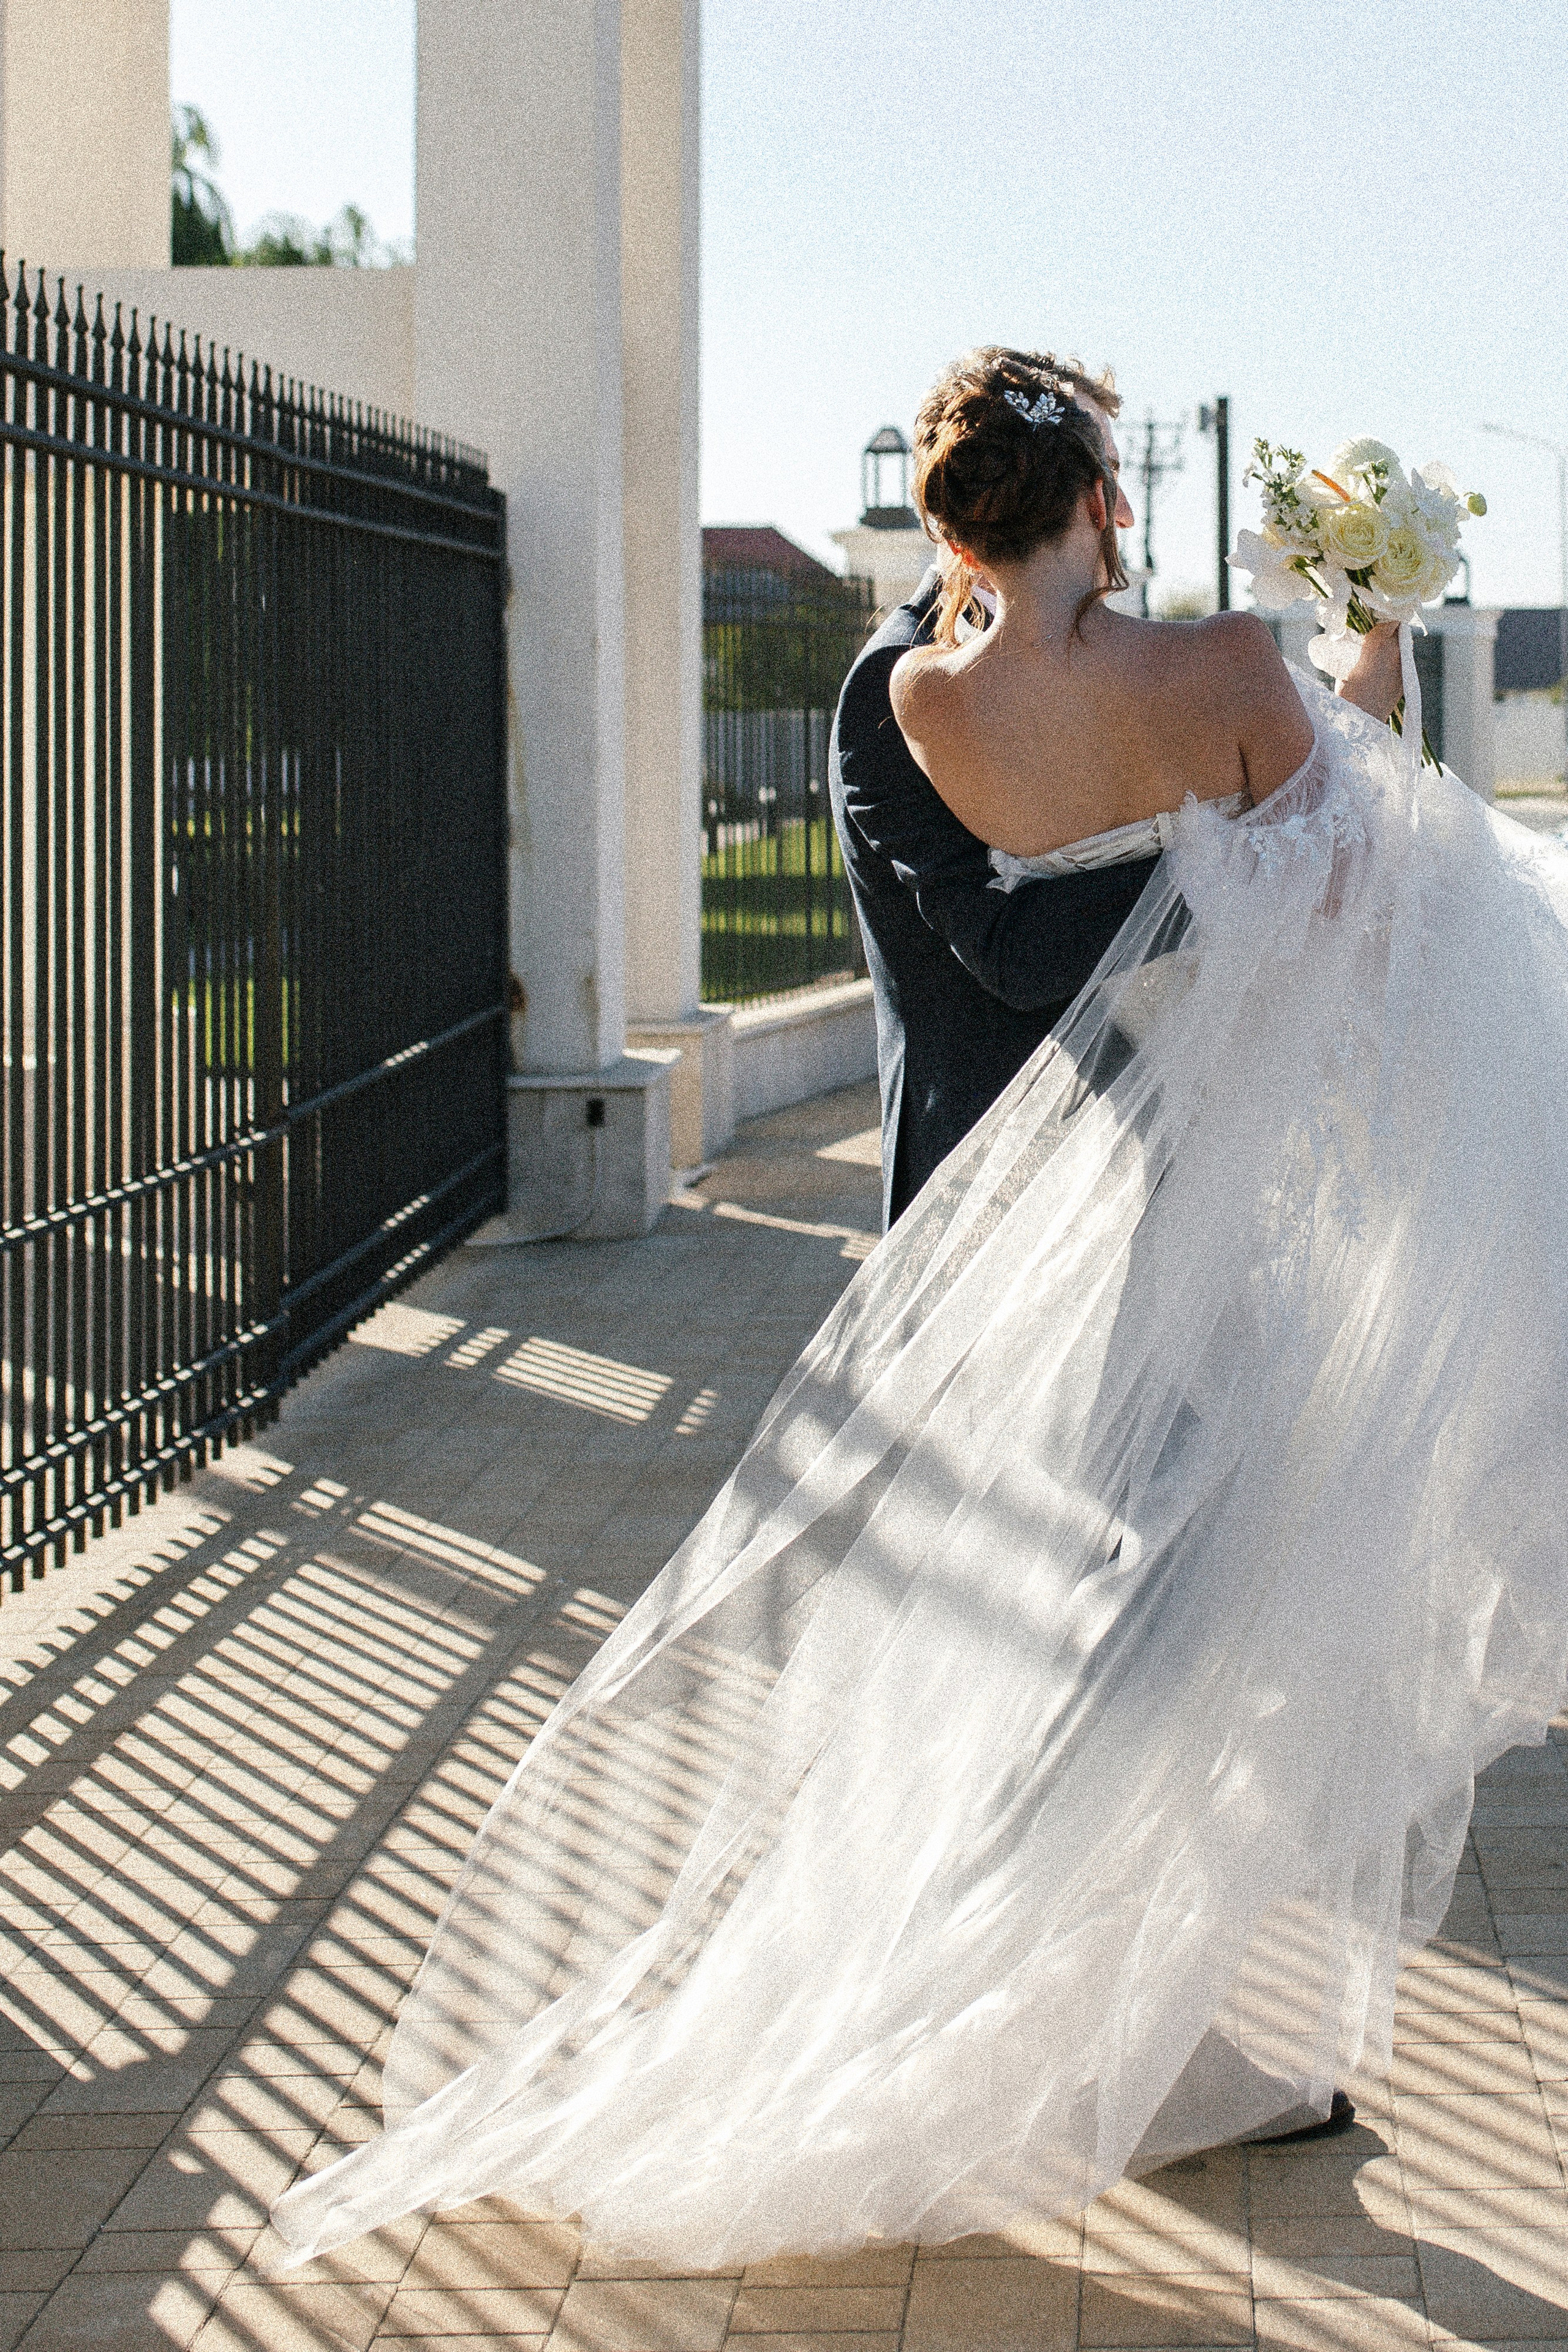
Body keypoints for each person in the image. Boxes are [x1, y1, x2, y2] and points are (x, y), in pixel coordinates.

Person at [274, 350, 1568, 2275]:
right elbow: (1357, 881)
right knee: (1161, 1615)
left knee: (1087, 1609)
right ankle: (1044, 1994)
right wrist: (1330, 702)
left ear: (948, 524)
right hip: (1186, 1227)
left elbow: (1011, 939)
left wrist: (1227, 824)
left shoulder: (901, 700)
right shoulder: (1219, 670)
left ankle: (1080, 1991)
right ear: (1106, 501)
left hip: (997, 1237)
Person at [829, 373, 1156, 1230]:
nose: (1120, 514)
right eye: (1103, 480)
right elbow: (1010, 954)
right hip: (987, 1176)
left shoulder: (1074, 665)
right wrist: (1231, 853)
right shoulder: (894, 687)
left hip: (1124, 1157)